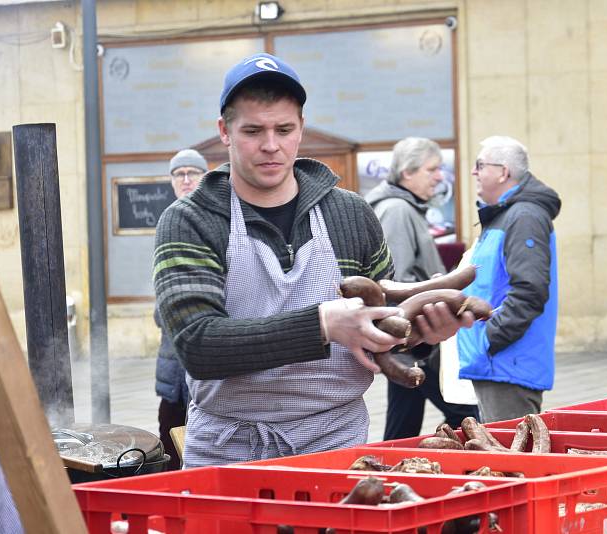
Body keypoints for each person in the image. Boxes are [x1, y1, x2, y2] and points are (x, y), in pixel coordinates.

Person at [153, 52, 474, 468]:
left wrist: (424, 335)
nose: (271, 145)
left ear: (301, 128)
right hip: (226, 455)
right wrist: (321, 324)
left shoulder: (351, 215)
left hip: (337, 448)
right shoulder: (191, 221)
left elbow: (382, 324)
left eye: (284, 129)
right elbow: (198, 346)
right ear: (224, 132)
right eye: (253, 130)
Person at [365, 137, 479, 439]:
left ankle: (387, 473)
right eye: (432, 169)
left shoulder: (406, 208)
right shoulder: (397, 210)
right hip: (417, 335)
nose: (440, 176)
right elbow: (394, 281)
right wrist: (441, 288)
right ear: (407, 172)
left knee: (403, 419)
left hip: (415, 338)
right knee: (464, 412)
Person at [457, 136, 561, 422]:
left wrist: (489, 340)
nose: (474, 172)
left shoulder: (523, 216)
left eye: (480, 165)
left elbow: (530, 290)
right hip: (497, 364)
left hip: (507, 365)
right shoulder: (505, 216)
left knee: (510, 460)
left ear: (503, 172)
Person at [154, 148, 208, 470]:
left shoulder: (211, 220)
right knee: (168, 440)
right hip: (172, 360)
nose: (186, 180)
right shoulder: (167, 221)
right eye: (179, 174)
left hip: (201, 358)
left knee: (197, 448)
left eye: (193, 173)